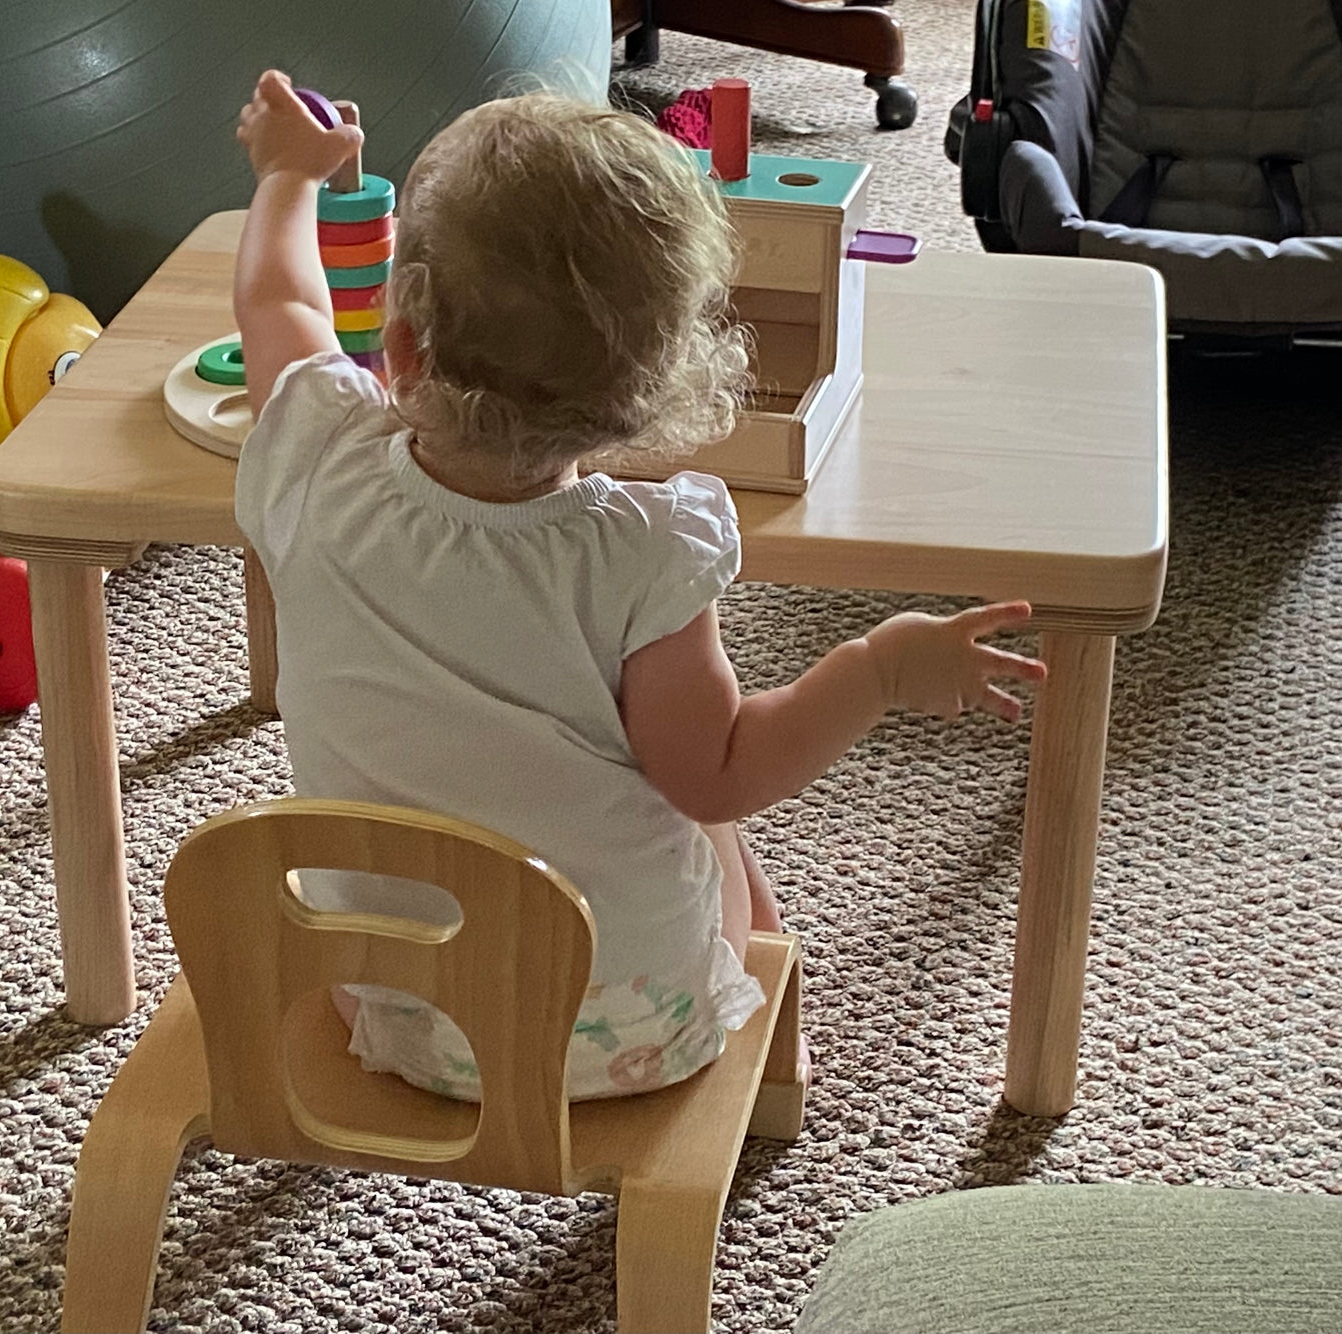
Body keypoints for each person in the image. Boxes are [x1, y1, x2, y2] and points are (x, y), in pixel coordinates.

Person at [232, 69, 1046, 1102]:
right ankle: (773, 1051)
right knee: (700, 806)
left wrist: (286, 178)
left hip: (393, 1000)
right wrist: (872, 670)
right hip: (626, 1025)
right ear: (641, 396)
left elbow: (277, 297)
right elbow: (719, 772)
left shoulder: (310, 456)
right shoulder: (642, 554)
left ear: (398, 349)